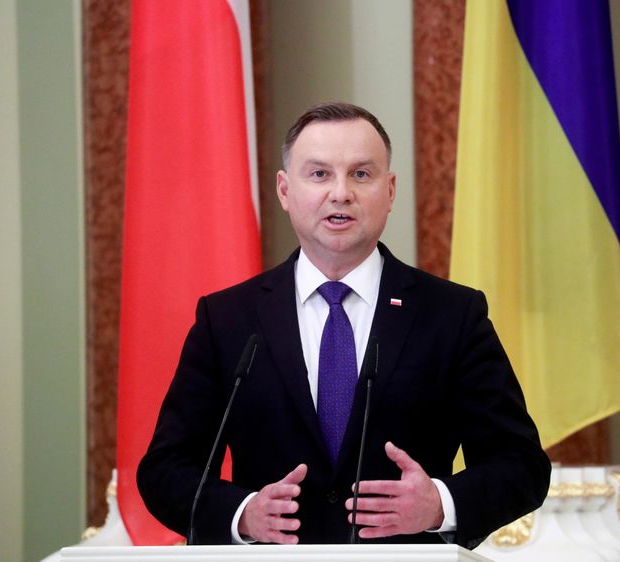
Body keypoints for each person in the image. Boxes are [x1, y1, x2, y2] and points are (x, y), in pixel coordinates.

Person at [137, 102, 551, 549]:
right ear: (284, 189)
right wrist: (243, 515)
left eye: (361, 174)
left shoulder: (451, 315)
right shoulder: (228, 319)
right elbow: (165, 470)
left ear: (390, 191)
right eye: (319, 174)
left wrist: (439, 503)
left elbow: (521, 464)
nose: (340, 193)